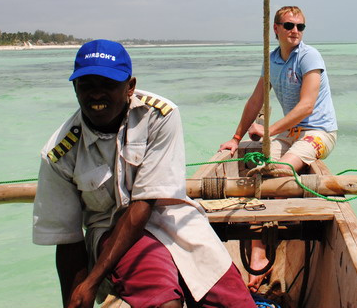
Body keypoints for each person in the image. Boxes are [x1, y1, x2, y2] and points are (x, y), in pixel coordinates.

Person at [33, 39, 254, 308]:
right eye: (87, 85)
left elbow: (144, 204)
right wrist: (77, 295)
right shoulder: (59, 152)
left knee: (236, 302)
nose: (96, 95)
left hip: (174, 218)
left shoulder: (160, 115)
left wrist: (90, 283)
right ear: (75, 88)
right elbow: (68, 240)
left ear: (130, 87)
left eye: (108, 85)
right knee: (162, 300)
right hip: (111, 232)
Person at [219, 6, 338, 291]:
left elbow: (307, 106)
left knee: (281, 170)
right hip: (286, 133)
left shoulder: (310, 56)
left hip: (318, 133)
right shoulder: (271, 60)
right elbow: (256, 99)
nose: (295, 31)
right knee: (258, 171)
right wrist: (236, 138)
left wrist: (267, 131)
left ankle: (270, 239)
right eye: (288, 25)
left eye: (300, 27)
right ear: (276, 29)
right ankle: (258, 248)